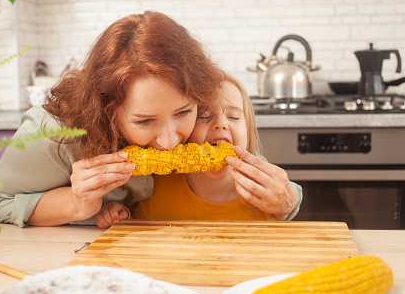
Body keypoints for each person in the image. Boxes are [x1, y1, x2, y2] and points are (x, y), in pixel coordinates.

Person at [0, 11, 226, 227]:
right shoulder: (52, 134)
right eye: (144, 121)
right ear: (106, 107)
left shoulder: (205, 118)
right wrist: (75, 203)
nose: (170, 141)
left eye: (183, 113)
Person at [95, 74, 302, 228]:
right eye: (204, 116)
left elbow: (286, 193)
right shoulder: (155, 180)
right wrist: (119, 216)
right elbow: (137, 229)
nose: (221, 124)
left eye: (234, 117)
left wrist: (289, 201)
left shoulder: (257, 179)